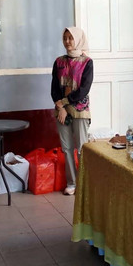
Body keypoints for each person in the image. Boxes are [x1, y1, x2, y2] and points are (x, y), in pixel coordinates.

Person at [51, 27, 93, 195]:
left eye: (71, 38)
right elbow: (54, 88)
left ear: (78, 39)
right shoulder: (59, 61)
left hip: (80, 110)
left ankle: (84, 183)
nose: (67, 41)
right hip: (61, 110)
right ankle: (72, 183)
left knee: (82, 147)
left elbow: (84, 88)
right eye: (65, 38)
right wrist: (60, 107)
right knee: (66, 148)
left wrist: (66, 103)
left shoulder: (87, 62)